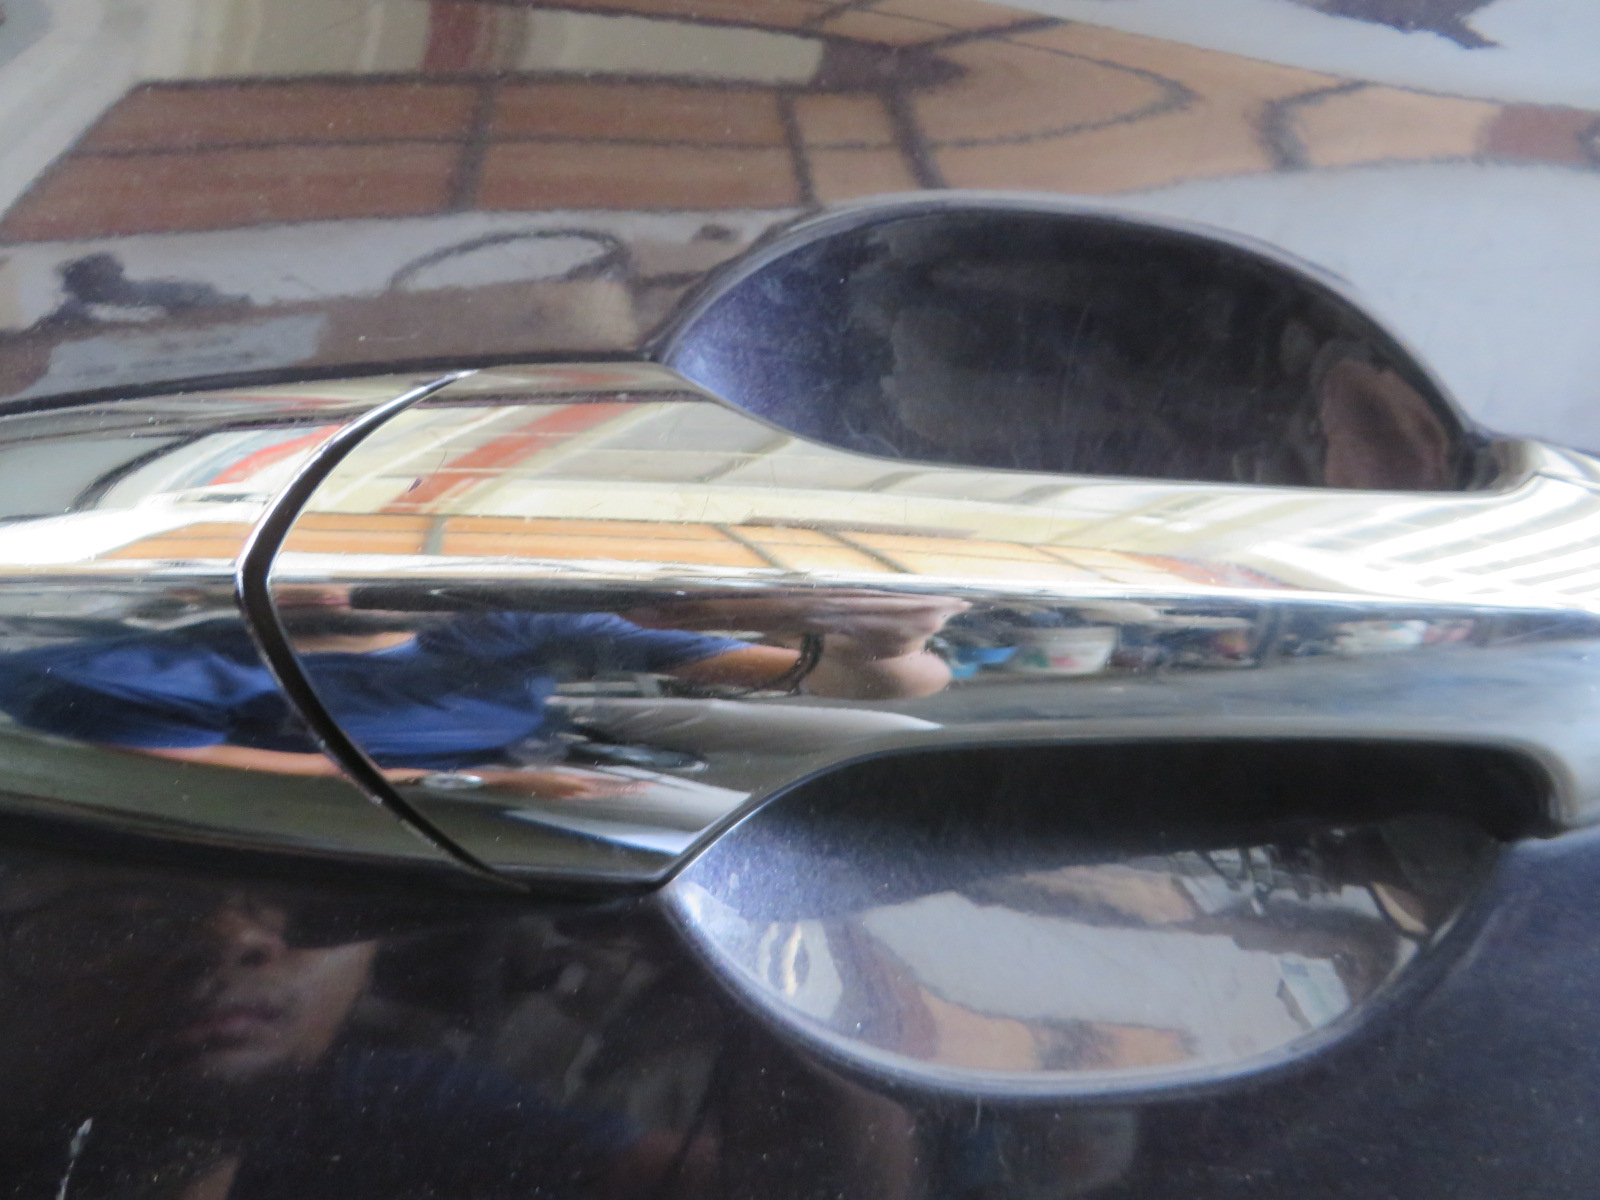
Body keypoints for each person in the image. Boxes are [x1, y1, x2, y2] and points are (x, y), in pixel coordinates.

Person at [0, 863, 670, 1200]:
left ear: (370, 956)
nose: (232, 939)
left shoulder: (382, 1109)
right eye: (126, 917)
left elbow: (667, 1172)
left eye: (307, 907)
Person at [0, 589, 965, 802]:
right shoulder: (107, 672)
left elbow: (855, 687)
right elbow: (206, 775)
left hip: (545, 725)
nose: (338, 574)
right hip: (444, 782)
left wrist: (887, 643)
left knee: (883, 733)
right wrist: (467, 787)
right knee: (684, 818)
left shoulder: (498, 613)